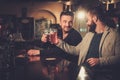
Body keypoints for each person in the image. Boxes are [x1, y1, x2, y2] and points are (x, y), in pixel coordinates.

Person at [28, 11, 82, 80]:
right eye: (64, 21)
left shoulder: (76, 36)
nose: (67, 24)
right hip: (58, 67)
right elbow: (48, 47)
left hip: (71, 70)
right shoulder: (57, 32)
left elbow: (61, 52)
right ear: (60, 22)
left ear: (73, 23)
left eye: (70, 22)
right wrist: (44, 41)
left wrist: (39, 52)